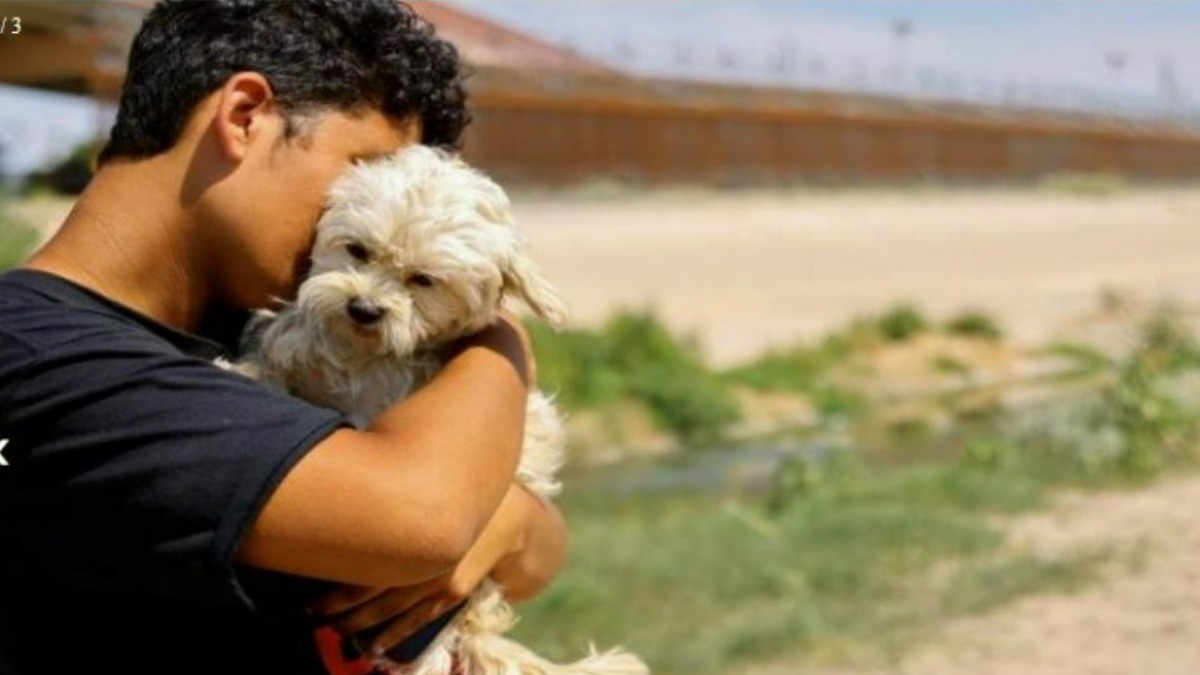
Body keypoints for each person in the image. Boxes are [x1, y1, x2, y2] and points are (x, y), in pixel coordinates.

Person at [0, 1, 569, 673]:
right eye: (366, 166)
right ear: (245, 115)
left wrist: (496, 517)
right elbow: (425, 519)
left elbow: (540, 548)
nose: (366, 205)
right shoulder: (35, 355)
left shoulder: (262, 328)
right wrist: (497, 339)